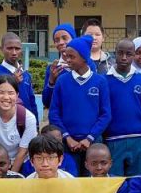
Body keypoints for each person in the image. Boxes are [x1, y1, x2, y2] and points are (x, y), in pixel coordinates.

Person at [47, 34, 111, 175]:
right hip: (68, 144)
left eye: (72, 56)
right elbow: (54, 113)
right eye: (66, 56)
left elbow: (105, 114)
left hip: (93, 143)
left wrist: (89, 138)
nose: (68, 60)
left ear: (84, 58)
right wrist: (67, 137)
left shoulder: (100, 82)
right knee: (70, 180)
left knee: (92, 181)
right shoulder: (62, 81)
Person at [104, 38, 141, 178]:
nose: (124, 57)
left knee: (138, 181)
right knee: (115, 182)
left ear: (134, 55)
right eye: (120, 53)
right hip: (113, 140)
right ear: (115, 54)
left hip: (138, 139)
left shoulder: (140, 79)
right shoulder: (104, 80)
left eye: (129, 54)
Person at [0, 74, 36, 173]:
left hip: (21, 163)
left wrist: (11, 175)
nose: (6, 97)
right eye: (1, 92)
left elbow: (23, 152)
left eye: (11, 93)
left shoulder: (28, 118)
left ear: (17, 95)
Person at [0, 33, 39, 121]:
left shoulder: (25, 74)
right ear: (1, 49)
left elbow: (31, 100)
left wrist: (36, 123)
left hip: (27, 121)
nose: (14, 52)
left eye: (17, 49)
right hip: (6, 122)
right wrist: (12, 81)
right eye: (9, 48)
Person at [41, 23, 76, 110]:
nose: (61, 42)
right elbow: (46, 102)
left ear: (74, 39)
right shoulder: (53, 69)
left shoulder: (83, 65)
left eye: (65, 38)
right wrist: (51, 81)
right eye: (57, 40)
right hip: (59, 117)